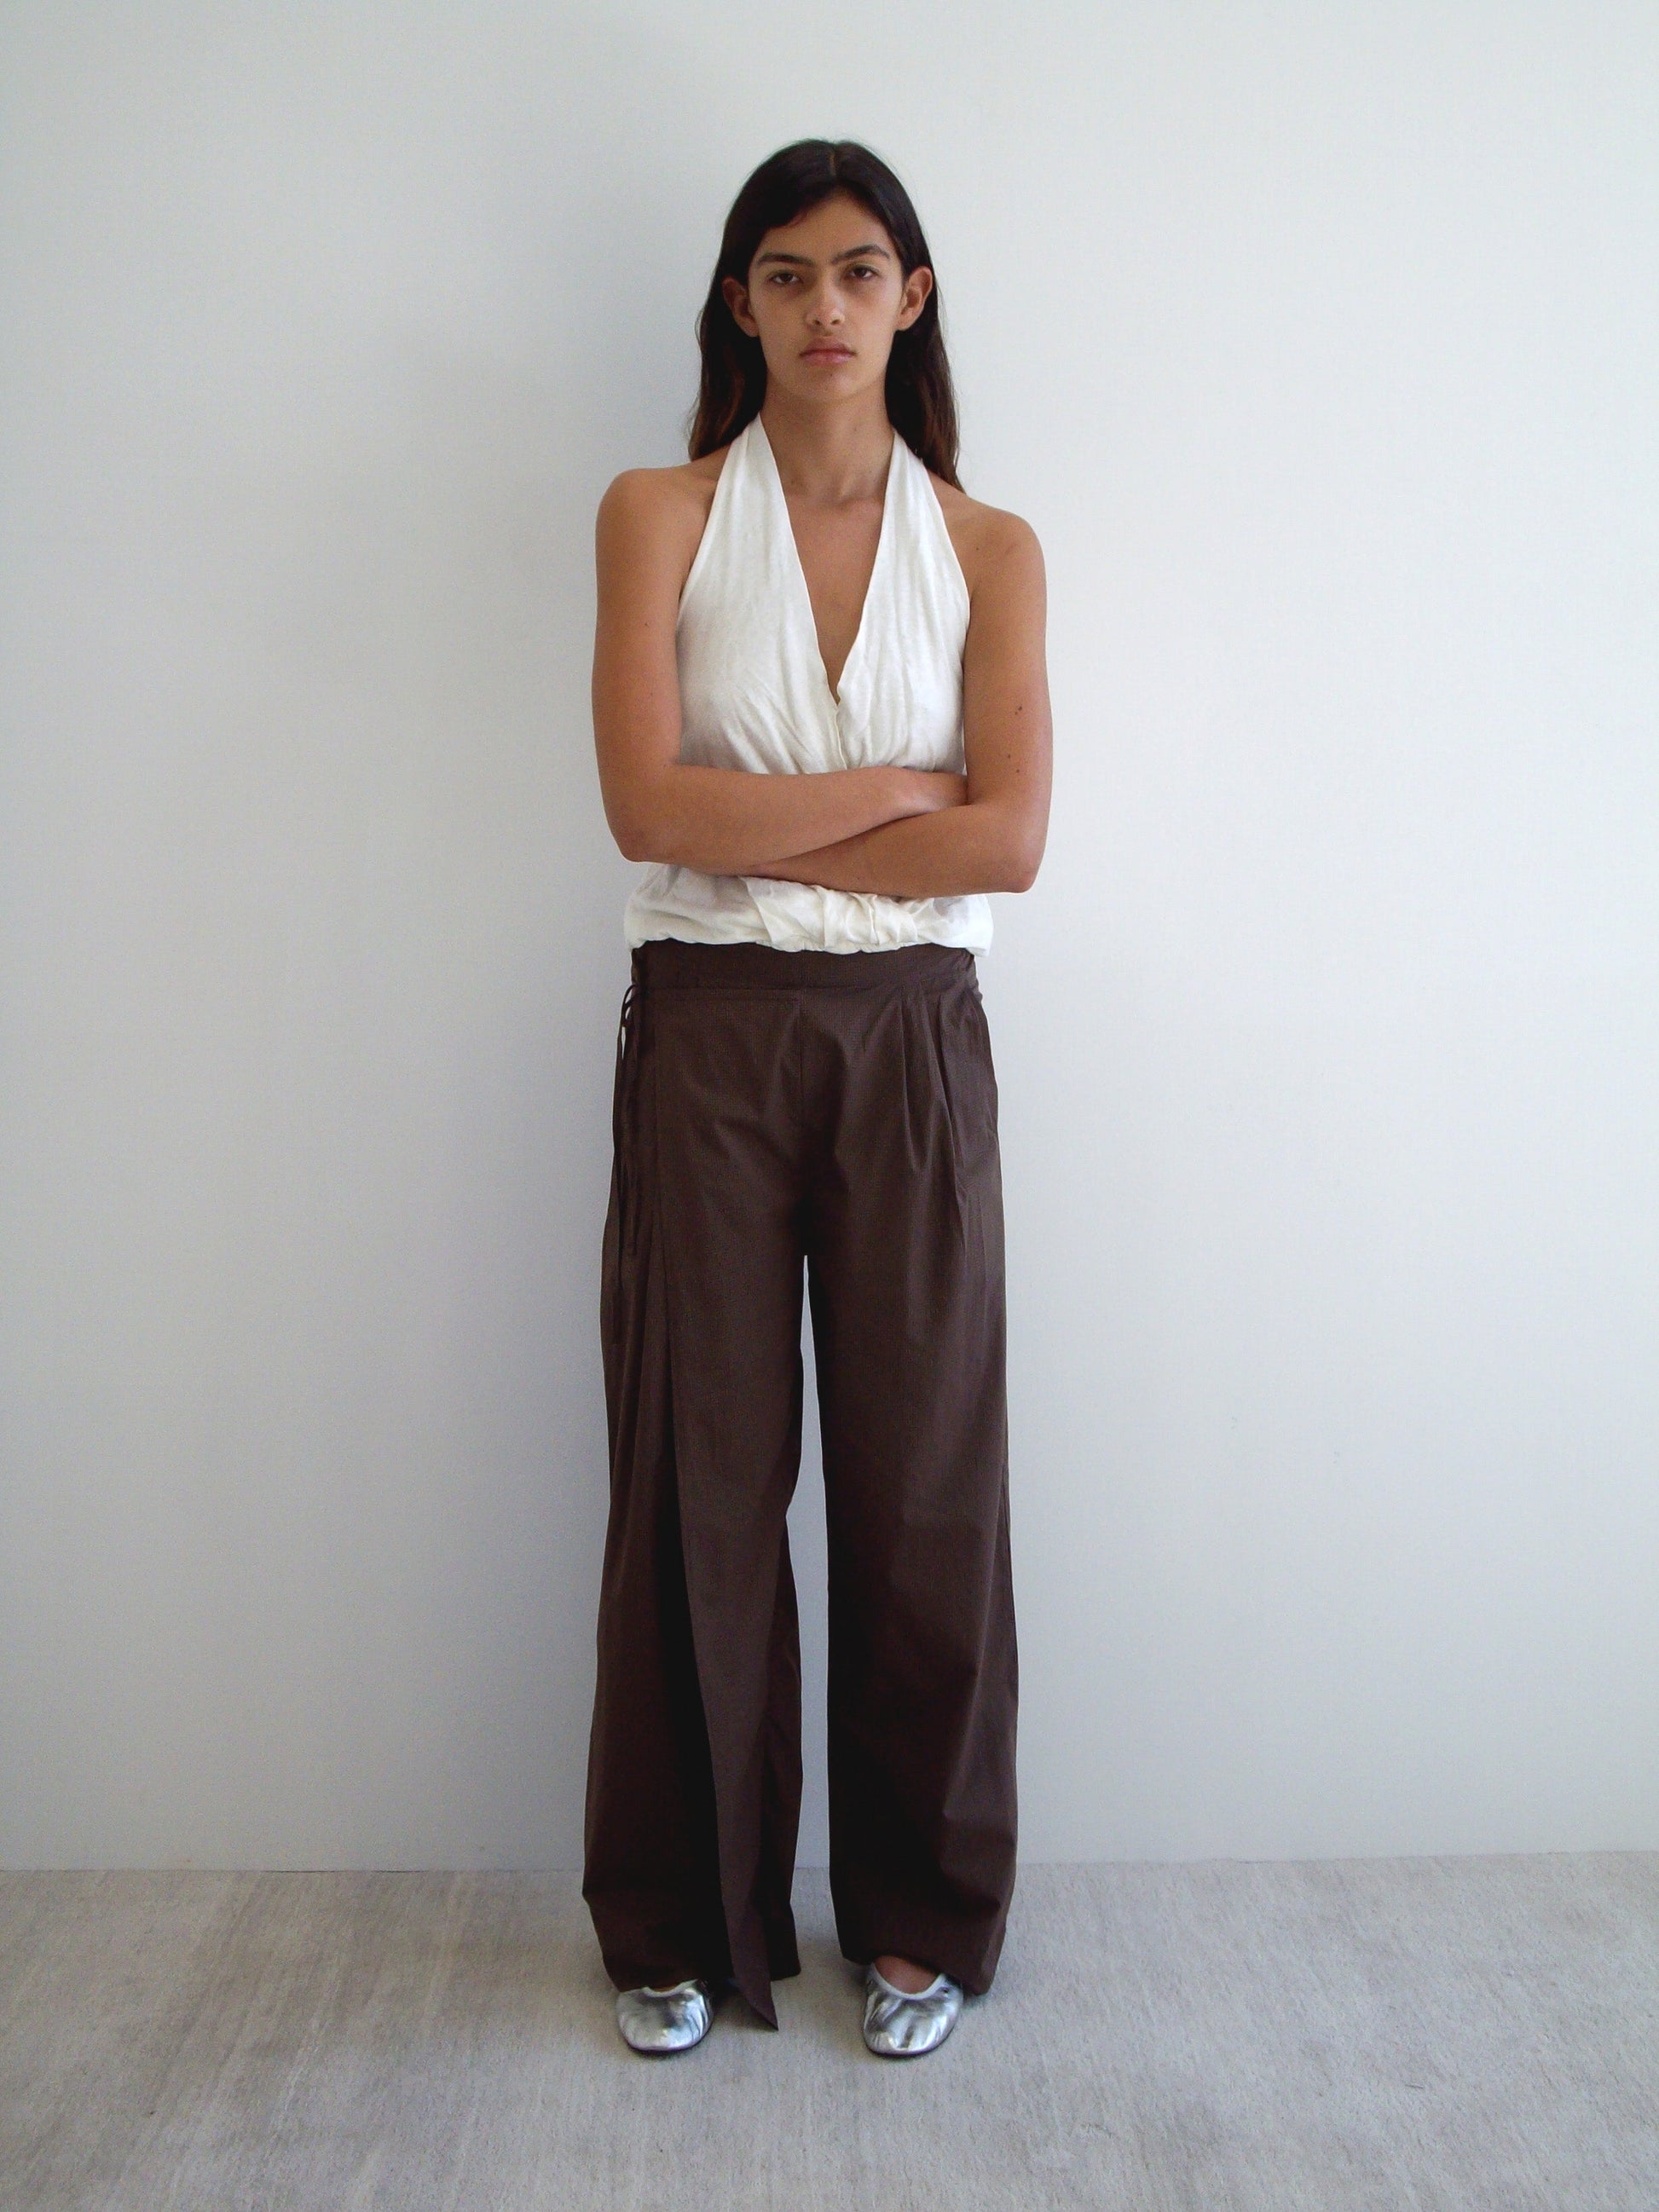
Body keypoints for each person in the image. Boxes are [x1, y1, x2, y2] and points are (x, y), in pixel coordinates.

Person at [582, 137, 1052, 2060]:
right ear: (739, 301)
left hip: (913, 1042)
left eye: (861, 271)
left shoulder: (994, 546)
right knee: (698, 1469)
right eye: (785, 274)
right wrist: (895, 800)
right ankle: (685, 1912)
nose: (826, 306)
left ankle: (921, 1916)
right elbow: (643, 812)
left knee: (924, 1476)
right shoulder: (657, 513)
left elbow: (1009, 842)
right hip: (705, 1032)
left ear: (911, 299)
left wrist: (772, 835)